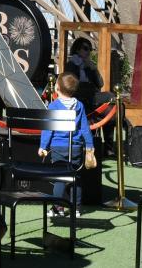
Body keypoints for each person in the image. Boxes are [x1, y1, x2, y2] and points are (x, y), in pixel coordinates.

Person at [37, 73, 97, 215]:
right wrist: (89, 145)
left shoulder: (53, 106)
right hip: (75, 147)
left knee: (59, 178)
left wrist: (43, 146)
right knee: (75, 177)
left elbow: (48, 129)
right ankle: (76, 207)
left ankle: (58, 207)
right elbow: (84, 128)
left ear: (57, 88)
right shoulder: (79, 106)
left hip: (58, 147)